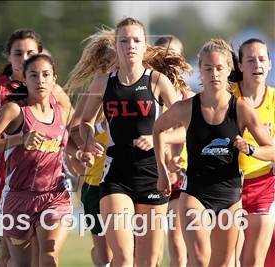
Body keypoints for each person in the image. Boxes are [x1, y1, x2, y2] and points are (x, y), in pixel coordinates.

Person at [153, 38, 275, 267]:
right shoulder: (186, 107)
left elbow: (272, 151)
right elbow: (158, 129)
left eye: (219, 68)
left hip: (229, 196)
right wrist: (161, 171)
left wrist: (251, 149)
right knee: (199, 259)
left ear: (229, 69)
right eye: (208, 68)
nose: (214, 74)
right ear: (200, 70)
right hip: (195, 193)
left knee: (221, 263)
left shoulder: (241, 108)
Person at [79, 17, 186, 267]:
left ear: (145, 47)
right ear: (115, 45)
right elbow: (83, 122)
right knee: (124, 258)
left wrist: (159, 138)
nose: (130, 45)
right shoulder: (103, 82)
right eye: (124, 40)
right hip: (116, 174)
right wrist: (88, 139)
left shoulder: (157, 81)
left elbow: (186, 127)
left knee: (148, 260)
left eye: (136, 40)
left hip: (152, 173)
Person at [0, 28, 72, 267]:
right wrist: (19, 140)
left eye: (30, 53)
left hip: (53, 189)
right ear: (9, 56)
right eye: (18, 53)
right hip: (9, 182)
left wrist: (81, 151)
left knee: (47, 253)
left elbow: (72, 130)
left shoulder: (57, 96)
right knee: (9, 257)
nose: (24, 58)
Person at [64, 27, 117, 267]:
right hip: (96, 181)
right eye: (113, 64)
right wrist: (85, 145)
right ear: (104, 67)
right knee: (105, 253)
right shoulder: (94, 93)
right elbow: (72, 129)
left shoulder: (142, 90)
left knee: (129, 248)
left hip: (129, 178)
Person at [229, 38, 274, 267]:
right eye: (250, 59)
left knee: (254, 261)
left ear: (269, 65)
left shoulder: (274, 99)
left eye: (262, 59)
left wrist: (252, 150)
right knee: (229, 260)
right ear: (240, 66)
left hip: (263, 185)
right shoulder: (227, 96)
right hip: (227, 185)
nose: (257, 64)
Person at [154, 35, 192, 267]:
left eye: (174, 55)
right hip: (148, 173)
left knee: (178, 241)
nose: (168, 59)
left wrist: (172, 152)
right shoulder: (145, 88)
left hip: (180, 173)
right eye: (162, 53)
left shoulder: (187, 95)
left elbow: (188, 130)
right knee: (150, 245)